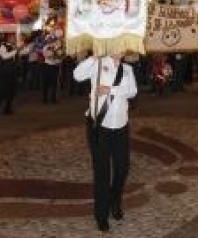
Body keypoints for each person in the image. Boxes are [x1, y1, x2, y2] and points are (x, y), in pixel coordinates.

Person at [73, 51, 138, 233]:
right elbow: (77, 75)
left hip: (121, 127)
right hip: (100, 127)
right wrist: (94, 57)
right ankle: (101, 214)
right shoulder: (99, 64)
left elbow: (132, 91)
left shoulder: (127, 69)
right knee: (102, 172)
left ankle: (115, 201)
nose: (121, 49)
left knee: (122, 168)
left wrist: (111, 90)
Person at [0, 37, 18, 116]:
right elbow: (5, 56)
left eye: (14, 39)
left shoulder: (14, 47)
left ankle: (7, 108)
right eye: (12, 38)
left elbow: (23, 52)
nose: (14, 40)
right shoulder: (3, 46)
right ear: (8, 40)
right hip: (4, 72)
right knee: (1, 91)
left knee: (12, 91)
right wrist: (16, 50)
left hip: (12, 71)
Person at [42, 32, 62, 104]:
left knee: (54, 83)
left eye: (53, 40)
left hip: (55, 66)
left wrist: (59, 58)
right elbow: (47, 55)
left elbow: (59, 56)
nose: (52, 41)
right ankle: (45, 98)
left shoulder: (57, 47)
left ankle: (53, 98)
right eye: (51, 40)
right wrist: (55, 52)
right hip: (47, 66)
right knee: (46, 83)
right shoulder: (46, 47)